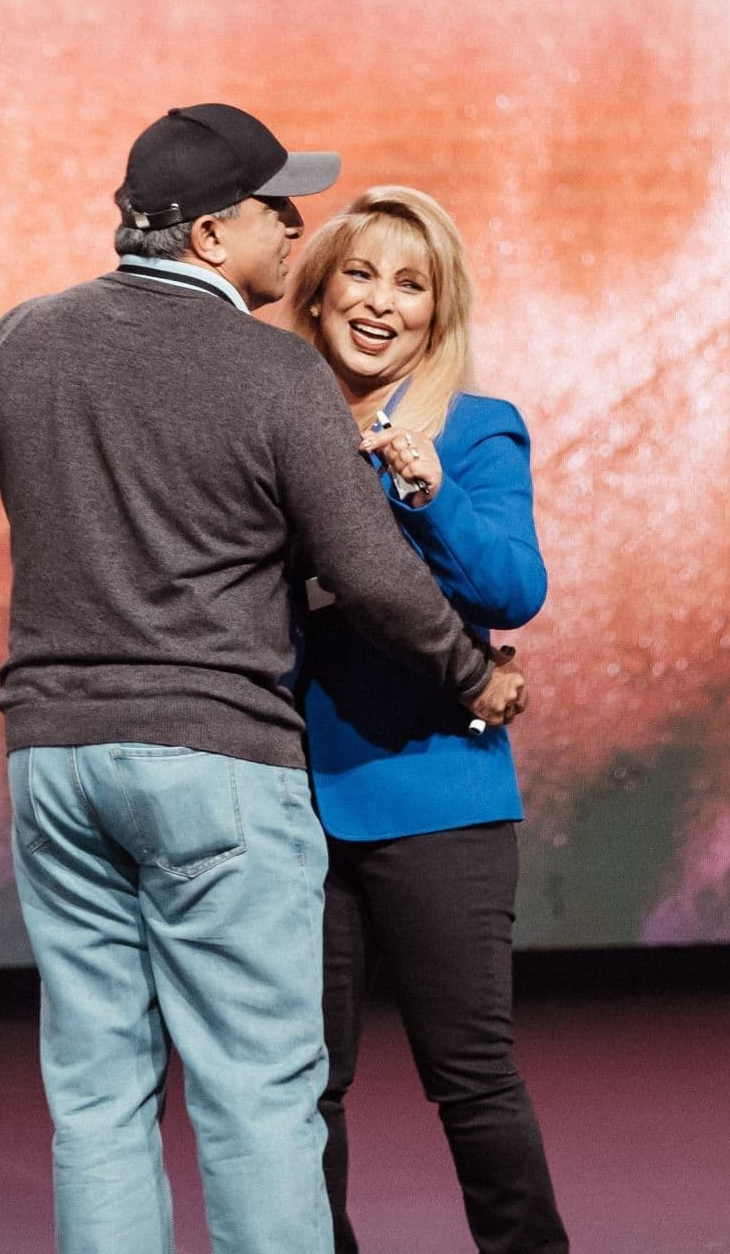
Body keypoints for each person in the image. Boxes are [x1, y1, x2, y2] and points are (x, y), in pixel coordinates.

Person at [0, 105, 524, 1254]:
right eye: (278, 211)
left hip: (56, 765)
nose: (295, 232)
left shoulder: (23, 339)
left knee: (96, 1091)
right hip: (218, 768)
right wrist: (473, 675)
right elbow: (373, 580)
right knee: (259, 1092)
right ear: (211, 233)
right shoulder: (275, 372)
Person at [287, 187, 568, 1253]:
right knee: (301, 1086)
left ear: (437, 314)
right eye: (359, 273)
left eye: (411, 285)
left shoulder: (473, 425)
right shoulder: (275, 422)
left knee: (472, 1078)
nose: (380, 302)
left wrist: (428, 491)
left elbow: (513, 587)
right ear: (314, 296)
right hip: (290, 806)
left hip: (439, 798)